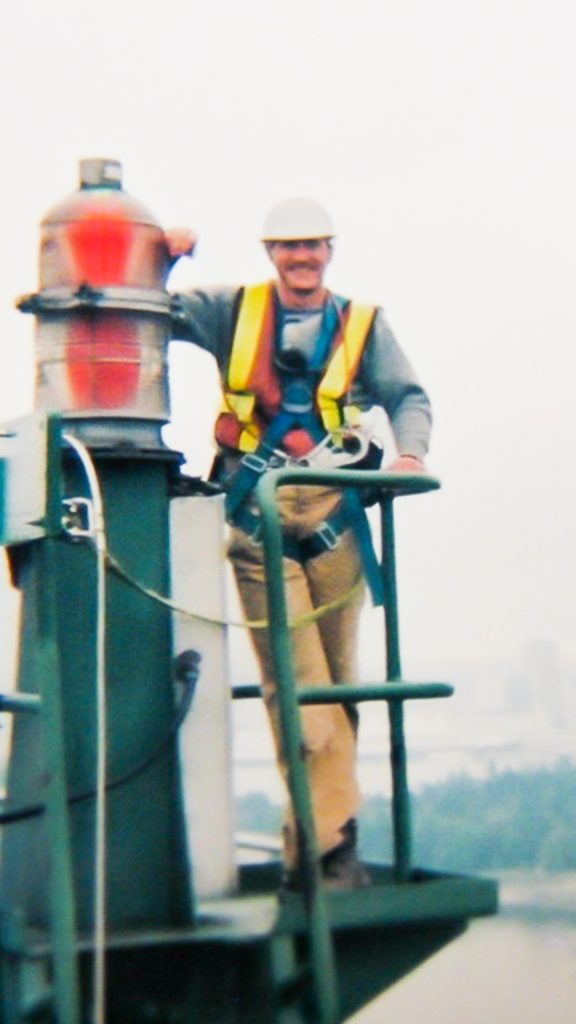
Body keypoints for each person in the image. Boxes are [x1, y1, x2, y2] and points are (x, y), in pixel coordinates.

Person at [166, 199, 432, 889]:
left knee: (339, 691)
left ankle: (309, 850)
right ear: (270, 253)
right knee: (303, 692)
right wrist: (161, 255)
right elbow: (152, 312)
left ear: (329, 251)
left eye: (313, 245)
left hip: (336, 514)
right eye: (289, 246)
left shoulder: (361, 324)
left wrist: (409, 455)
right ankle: (333, 853)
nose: (302, 257)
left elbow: (407, 396)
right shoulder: (233, 311)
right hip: (258, 516)